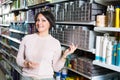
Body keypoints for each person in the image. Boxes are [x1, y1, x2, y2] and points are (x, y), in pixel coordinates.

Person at [16, 11, 77, 80]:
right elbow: (19, 59)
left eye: (43, 20)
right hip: (26, 77)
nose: (39, 23)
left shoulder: (55, 43)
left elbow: (56, 68)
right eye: (37, 20)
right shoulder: (27, 38)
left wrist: (64, 56)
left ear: (50, 23)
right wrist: (26, 64)